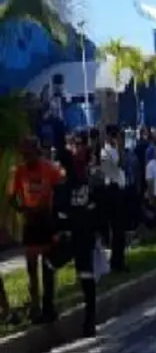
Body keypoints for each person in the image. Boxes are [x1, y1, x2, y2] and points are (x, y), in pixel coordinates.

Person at [9, 137, 64, 323]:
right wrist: (23, 209)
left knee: (48, 267)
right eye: (23, 154)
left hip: (46, 221)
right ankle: (35, 306)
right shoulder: (19, 172)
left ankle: (49, 306)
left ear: (36, 152)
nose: (26, 158)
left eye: (29, 154)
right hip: (30, 223)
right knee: (31, 267)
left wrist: (52, 212)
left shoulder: (49, 168)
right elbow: (12, 197)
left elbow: (60, 191)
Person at [51, 136, 99, 337]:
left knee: (49, 265)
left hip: (71, 236)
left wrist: (60, 231)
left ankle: (47, 307)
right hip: (85, 235)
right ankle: (90, 320)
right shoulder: (85, 181)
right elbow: (94, 207)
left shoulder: (65, 186)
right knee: (85, 275)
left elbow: (61, 213)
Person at [99, 125, 129, 272]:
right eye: (115, 136)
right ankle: (115, 262)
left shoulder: (116, 151)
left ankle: (120, 259)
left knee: (121, 229)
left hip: (120, 190)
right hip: (112, 191)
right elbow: (112, 171)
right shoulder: (105, 152)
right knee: (116, 229)